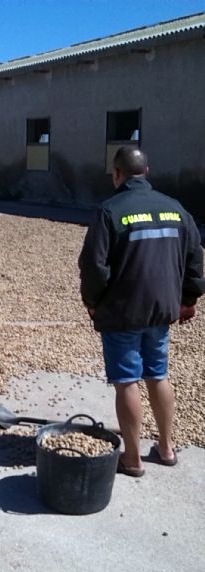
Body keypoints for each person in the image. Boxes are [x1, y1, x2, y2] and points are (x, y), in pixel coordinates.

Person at [79, 146, 205, 477]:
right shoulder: (176, 210)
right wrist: (189, 300)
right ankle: (166, 448)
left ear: (116, 174)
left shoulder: (110, 211)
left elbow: (94, 266)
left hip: (123, 312)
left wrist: (92, 301)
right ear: (146, 172)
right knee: (158, 375)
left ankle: (132, 459)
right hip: (162, 310)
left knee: (126, 381)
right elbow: (194, 259)